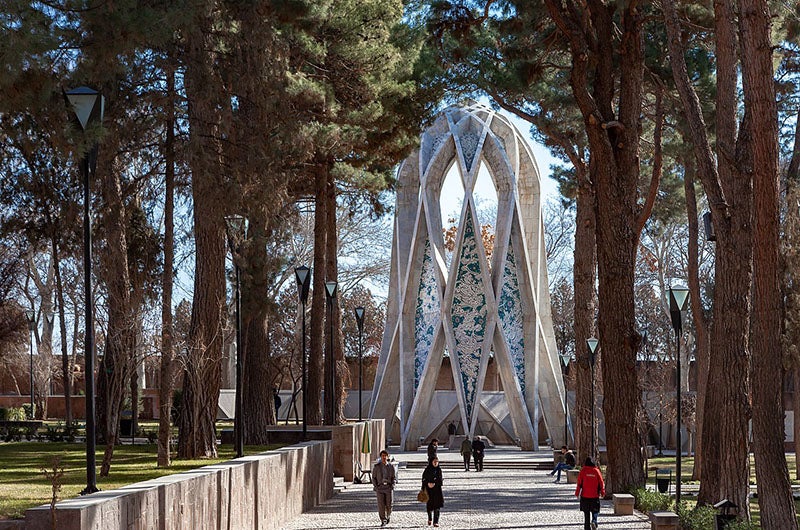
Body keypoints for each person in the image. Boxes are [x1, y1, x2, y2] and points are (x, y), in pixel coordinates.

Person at [575, 457, 605, 530]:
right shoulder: (596, 471)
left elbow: (579, 483)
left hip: (585, 495)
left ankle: (587, 527)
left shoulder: (583, 471)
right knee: (595, 510)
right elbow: (601, 482)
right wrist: (602, 492)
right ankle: (594, 521)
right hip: (594, 495)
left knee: (586, 512)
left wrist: (577, 493)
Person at [372, 449, 397, 526]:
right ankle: (383, 519)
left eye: (385, 456)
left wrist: (393, 485)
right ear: (380, 457)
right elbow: (373, 478)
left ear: (387, 456)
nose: (384, 457)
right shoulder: (377, 467)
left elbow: (394, 477)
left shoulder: (391, 466)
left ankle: (388, 515)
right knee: (381, 505)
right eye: (382, 456)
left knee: (389, 504)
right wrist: (376, 487)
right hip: (380, 488)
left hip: (388, 488)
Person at [422, 456, 444, 527]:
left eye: (437, 461)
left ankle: (435, 521)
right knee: (429, 506)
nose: (435, 463)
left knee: (437, 506)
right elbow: (423, 479)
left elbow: (440, 481)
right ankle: (430, 518)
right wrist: (428, 483)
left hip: (437, 490)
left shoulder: (439, 470)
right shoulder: (427, 469)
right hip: (429, 491)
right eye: (434, 461)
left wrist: (434, 483)